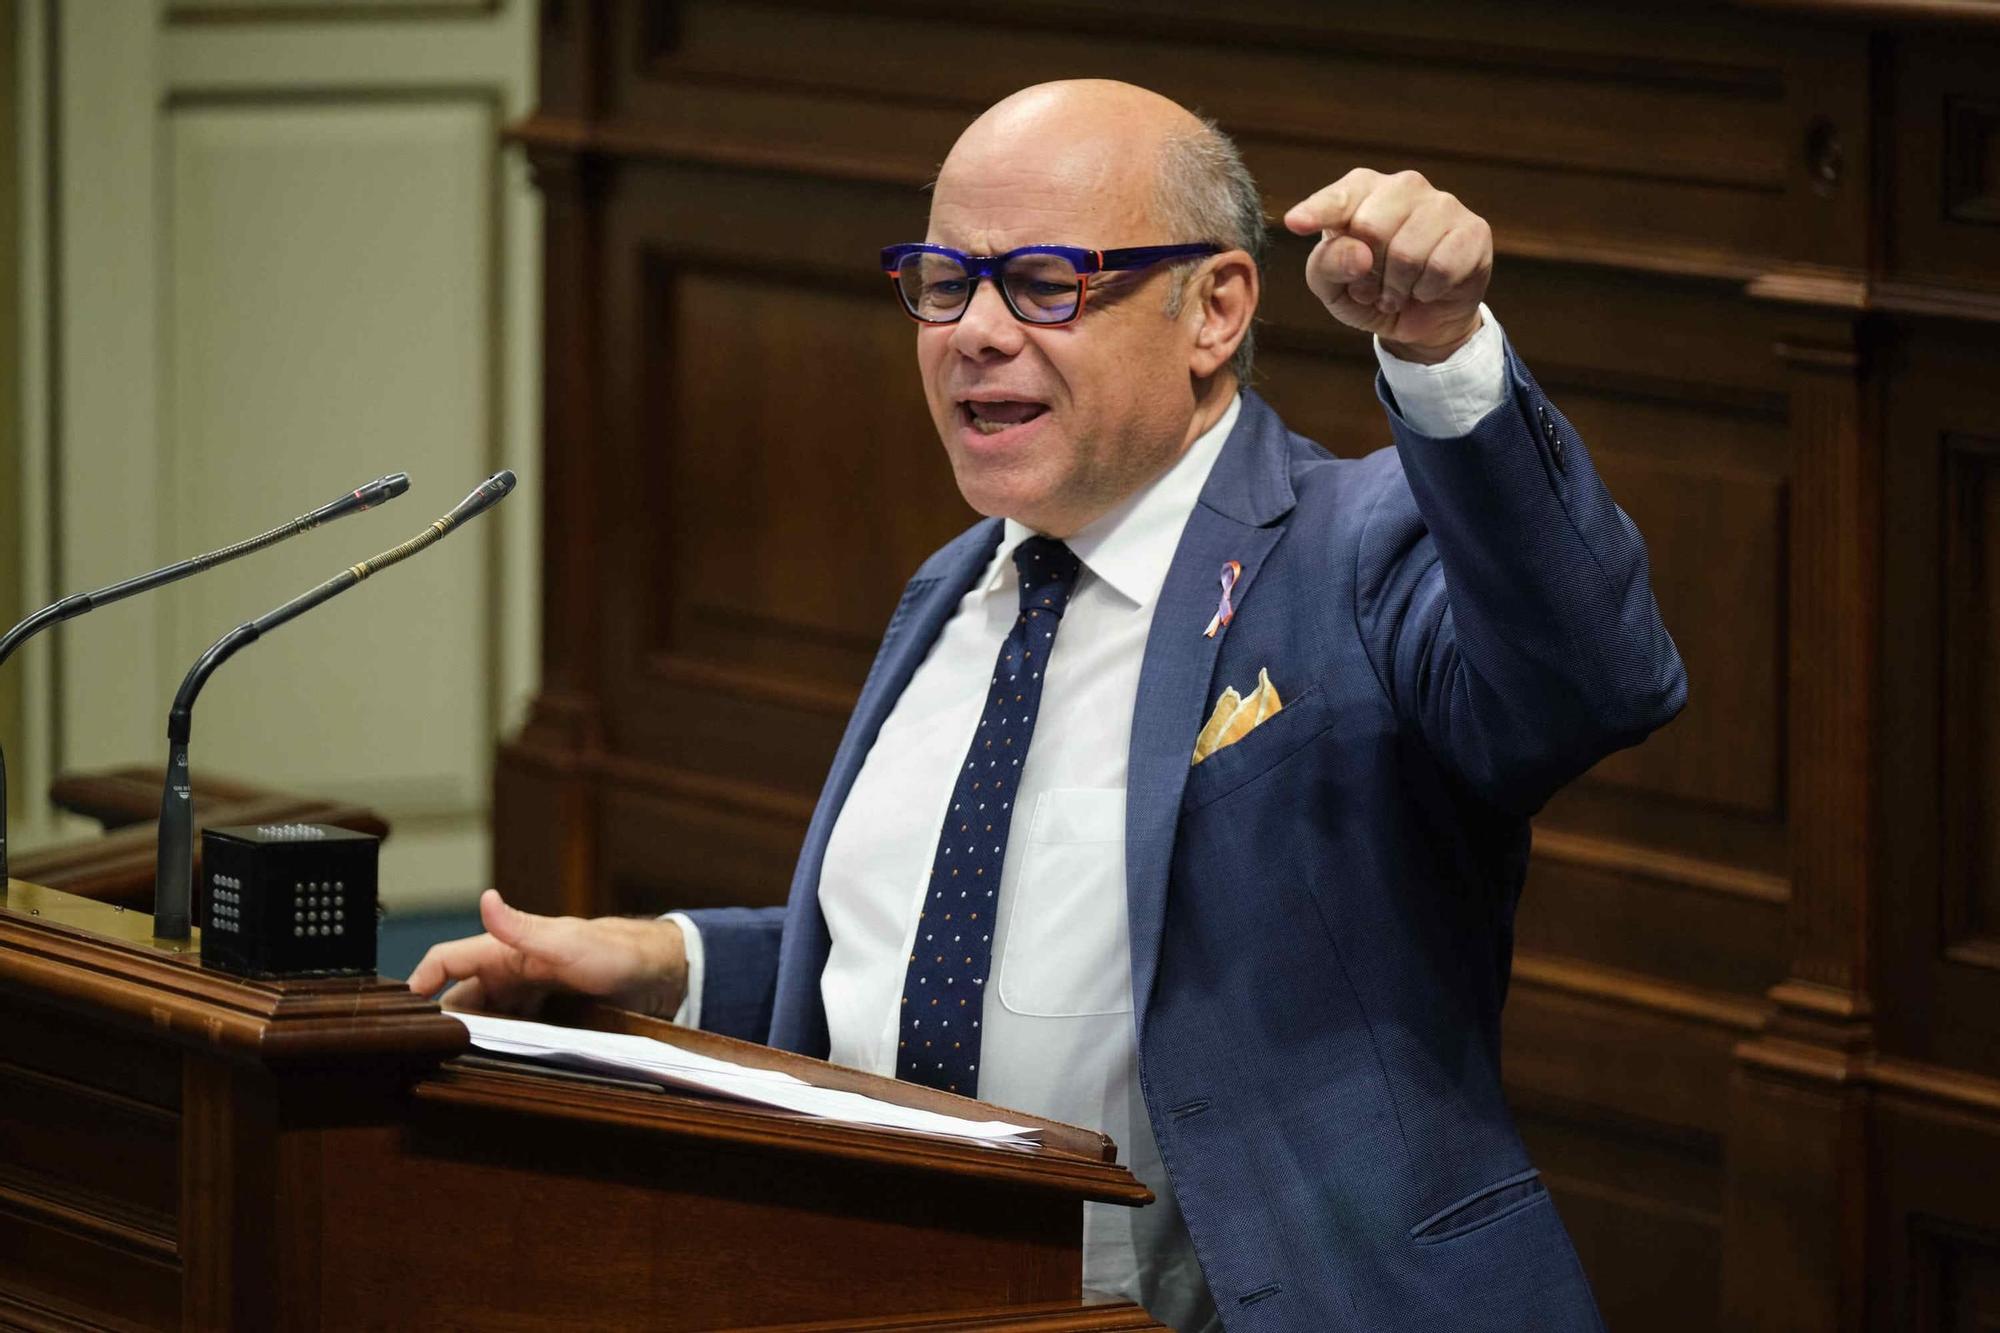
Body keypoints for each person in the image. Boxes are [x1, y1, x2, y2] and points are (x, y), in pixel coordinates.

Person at [412, 79, 1683, 1332]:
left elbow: (1590, 683)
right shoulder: (960, 586)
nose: (973, 329)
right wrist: (673, 966)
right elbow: (967, 958)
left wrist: (1444, 357)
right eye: (944, 280)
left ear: (1215, 309)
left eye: (1043, 282)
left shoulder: (1356, 552)